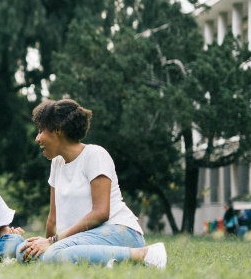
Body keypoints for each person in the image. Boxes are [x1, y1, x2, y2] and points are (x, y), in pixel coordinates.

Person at [18, 99, 167, 269]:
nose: (37, 138)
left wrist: (53, 242)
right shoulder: (57, 163)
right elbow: (53, 219)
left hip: (119, 231)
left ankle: (144, 254)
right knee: (23, 253)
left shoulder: (95, 155)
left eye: (40, 131)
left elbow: (101, 213)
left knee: (56, 253)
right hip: (81, 239)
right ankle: (106, 261)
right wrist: (44, 245)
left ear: (58, 129)